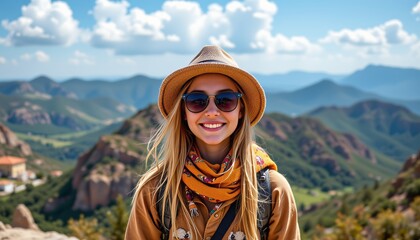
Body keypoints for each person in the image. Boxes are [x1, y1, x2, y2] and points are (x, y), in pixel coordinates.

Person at [125, 45, 300, 240]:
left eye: (226, 99)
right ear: (183, 111)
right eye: (197, 100)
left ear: (241, 110)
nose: (211, 111)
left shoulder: (273, 191)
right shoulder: (155, 191)